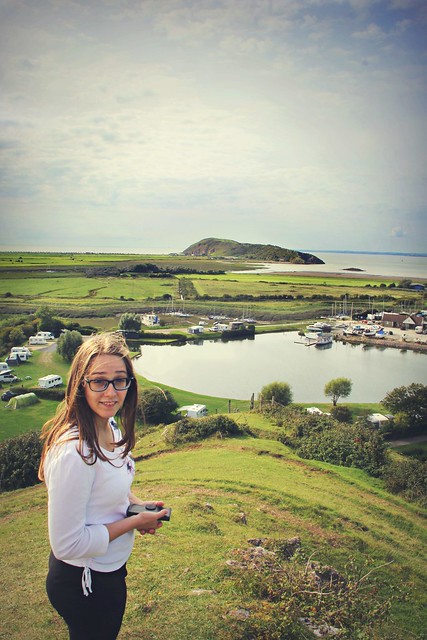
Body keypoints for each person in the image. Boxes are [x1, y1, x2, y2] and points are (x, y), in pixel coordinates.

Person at [38, 332, 168, 640]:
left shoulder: (107, 424)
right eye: (99, 381)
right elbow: (67, 545)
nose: (111, 392)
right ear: (80, 385)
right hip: (83, 582)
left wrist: (138, 507)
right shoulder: (75, 453)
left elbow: (113, 487)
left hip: (106, 571)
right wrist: (134, 521)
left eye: (119, 380)